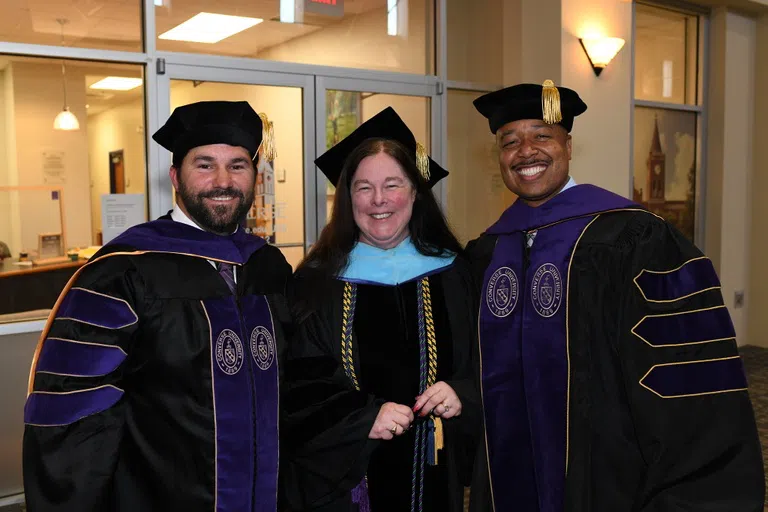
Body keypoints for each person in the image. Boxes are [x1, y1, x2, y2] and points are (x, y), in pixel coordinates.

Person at [466, 80, 765, 511]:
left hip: (607, 469)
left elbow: (684, 368)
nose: (525, 151)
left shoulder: (632, 235)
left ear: (568, 146)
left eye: (542, 136)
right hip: (507, 468)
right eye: (510, 141)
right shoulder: (488, 250)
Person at [23, 100, 292, 512]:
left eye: (238, 165)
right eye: (204, 165)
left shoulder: (268, 265)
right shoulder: (121, 272)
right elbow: (74, 414)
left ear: (254, 176)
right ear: (175, 178)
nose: (223, 180)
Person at [281, 107, 481, 512]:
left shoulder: (455, 273)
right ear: (346, 197)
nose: (378, 201)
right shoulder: (316, 281)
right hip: (345, 481)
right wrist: (360, 417)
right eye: (363, 187)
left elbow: (492, 358)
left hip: (437, 473)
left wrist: (463, 392)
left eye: (393, 184)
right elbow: (298, 380)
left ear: (415, 192)